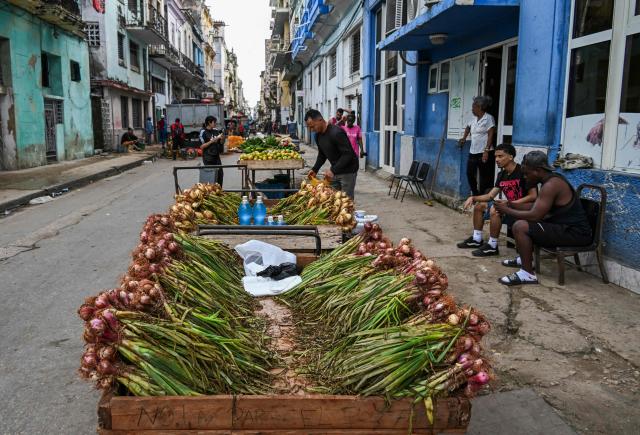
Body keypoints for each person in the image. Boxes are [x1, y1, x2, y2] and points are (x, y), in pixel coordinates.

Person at [493, 151, 592, 286]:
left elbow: (535, 215)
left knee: (520, 226)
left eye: (527, 173)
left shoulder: (552, 185)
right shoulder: (550, 180)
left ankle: (527, 274)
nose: (525, 177)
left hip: (576, 233)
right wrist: (510, 204)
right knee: (521, 221)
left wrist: (507, 210)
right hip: (564, 228)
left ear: (538, 171)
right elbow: (536, 206)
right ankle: (525, 259)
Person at [457, 144, 537, 256]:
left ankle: (492, 246)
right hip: (509, 207)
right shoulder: (502, 174)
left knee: (495, 209)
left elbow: (533, 196)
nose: (497, 160)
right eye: (495, 157)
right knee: (480, 205)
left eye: (500, 156)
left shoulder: (522, 172)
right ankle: (476, 239)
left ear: (510, 157)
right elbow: (490, 196)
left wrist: (510, 203)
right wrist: (473, 198)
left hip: (523, 209)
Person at [305, 109, 359, 199]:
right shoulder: (318, 136)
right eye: (309, 128)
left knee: (346, 201)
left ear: (320, 120)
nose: (311, 130)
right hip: (335, 170)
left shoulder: (336, 132)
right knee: (331, 199)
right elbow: (322, 154)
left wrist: (333, 170)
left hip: (348, 170)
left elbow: (348, 154)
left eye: (312, 126)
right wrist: (315, 169)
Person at [459, 96, 496, 196]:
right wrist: (464, 138)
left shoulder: (488, 118)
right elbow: (468, 127)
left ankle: (484, 196)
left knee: (485, 176)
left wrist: (486, 151)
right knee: (469, 173)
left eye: (473, 107)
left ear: (479, 107)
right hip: (473, 151)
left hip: (484, 151)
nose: (472, 109)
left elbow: (491, 134)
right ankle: (476, 194)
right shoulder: (473, 119)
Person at [200, 115, 225, 186]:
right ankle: (211, 193)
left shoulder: (216, 131)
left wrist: (222, 138)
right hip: (208, 158)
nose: (215, 124)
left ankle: (219, 191)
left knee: (220, 174)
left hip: (216, 157)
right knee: (211, 176)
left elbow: (221, 142)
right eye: (214, 122)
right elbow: (202, 146)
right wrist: (213, 141)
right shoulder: (203, 132)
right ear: (209, 122)